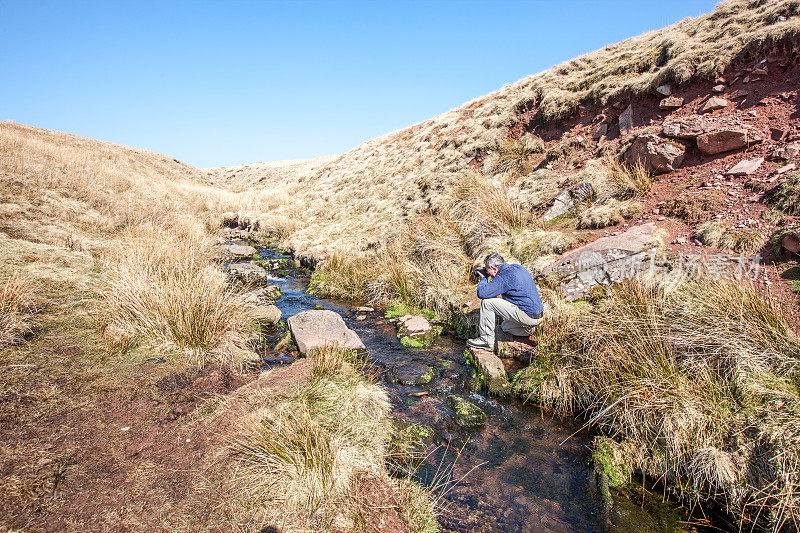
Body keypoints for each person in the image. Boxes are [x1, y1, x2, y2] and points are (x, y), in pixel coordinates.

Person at [467, 252, 544, 351]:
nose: (487, 272)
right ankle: (535, 330)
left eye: (487, 269)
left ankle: (486, 340)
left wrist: (483, 278)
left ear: (495, 269)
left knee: (487, 303)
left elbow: (482, 293)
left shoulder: (505, 277)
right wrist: (488, 273)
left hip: (527, 315)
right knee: (505, 327)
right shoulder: (516, 267)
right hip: (537, 315)